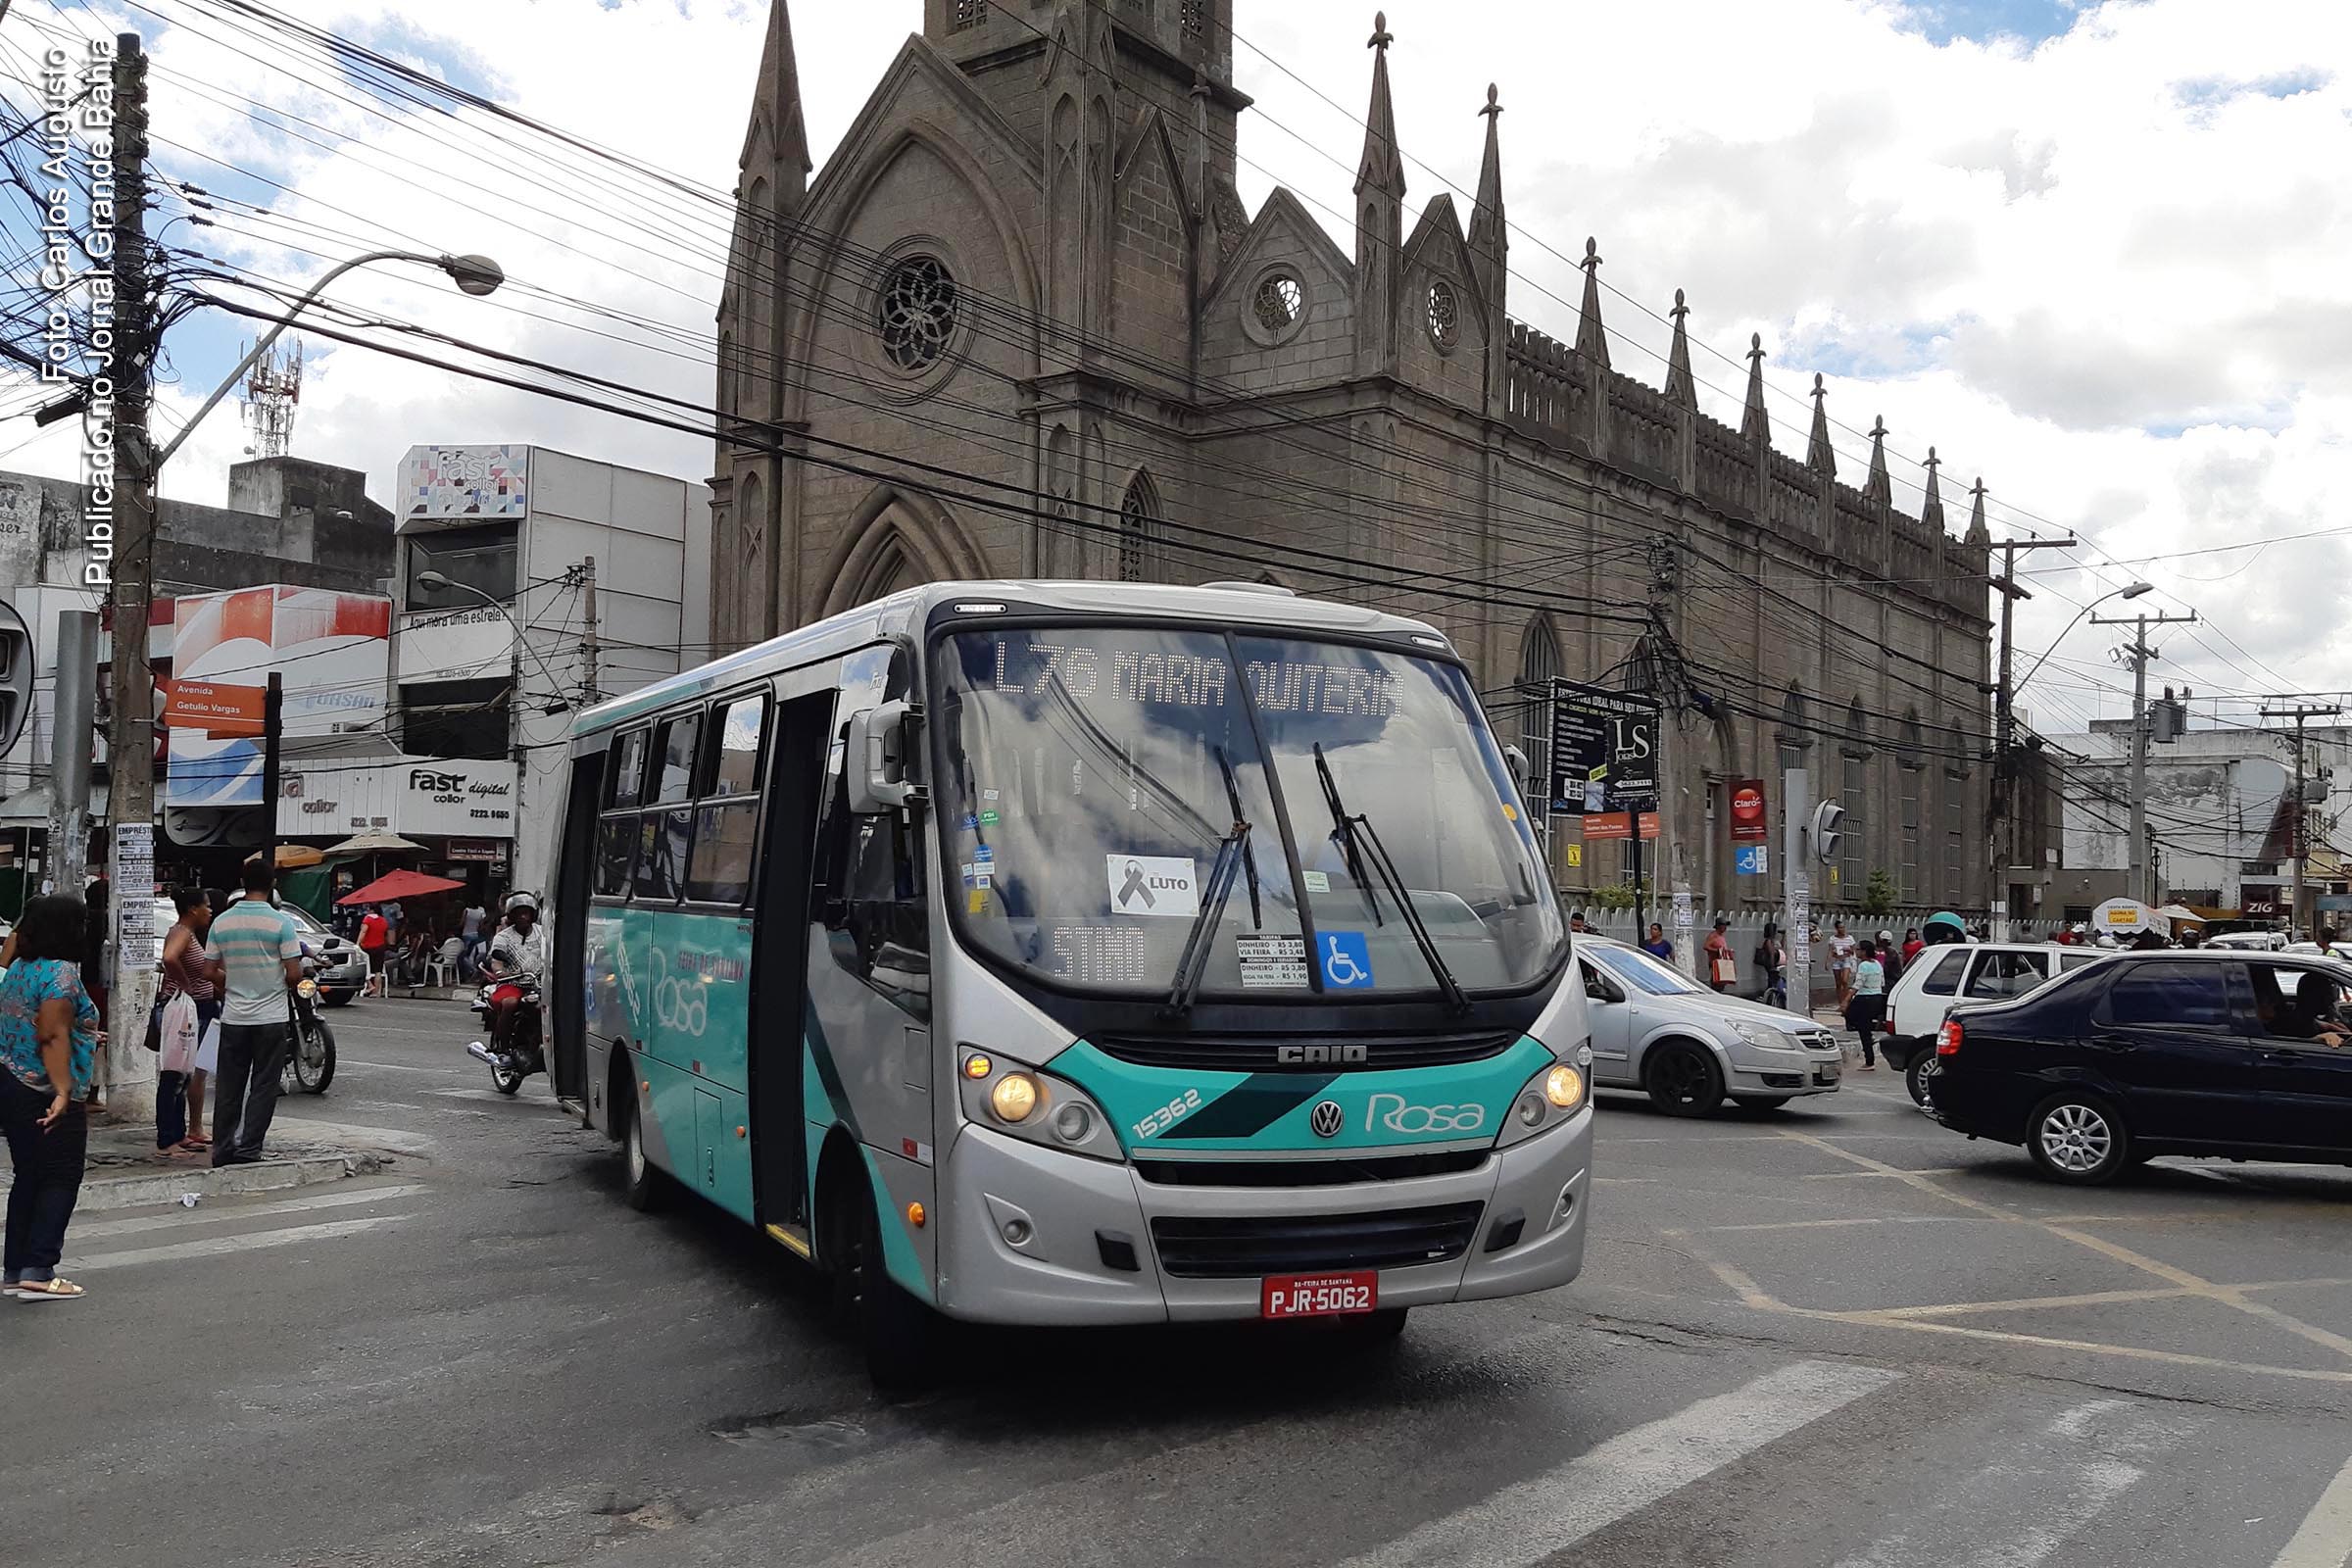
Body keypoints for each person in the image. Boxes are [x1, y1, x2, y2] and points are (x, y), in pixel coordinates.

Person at [1, 894, 101, 1300]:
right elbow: (50, 1033)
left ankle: (16, 1267)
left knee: (28, 1174)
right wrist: (62, 1092)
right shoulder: (60, 975)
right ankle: (40, 1268)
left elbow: (44, 1025)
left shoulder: (20, 970)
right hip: (44, 1087)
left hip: (10, 1080)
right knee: (60, 1174)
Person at [207, 860, 303, 1168]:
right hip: (272, 1018)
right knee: (264, 1085)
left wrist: (232, 982)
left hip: (234, 1017)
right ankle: (249, 1148)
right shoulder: (282, 923)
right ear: (273, 883)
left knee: (229, 1086)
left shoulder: (221, 922)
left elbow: (209, 970)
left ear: (242, 881)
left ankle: (222, 1150)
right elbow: (293, 973)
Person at [157, 887, 224, 1155]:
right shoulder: (181, 933)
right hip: (185, 1010)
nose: (210, 911)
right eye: (206, 906)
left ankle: (179, 1132)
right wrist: (184, 984)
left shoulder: (192, 936)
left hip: (200, 1008)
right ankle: (167, 1139)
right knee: (174, 1074)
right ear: (192, 909)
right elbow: (169, 958)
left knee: (186, 1074)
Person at [481, 895, 549, 1068]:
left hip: (540, 982)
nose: (523, 917)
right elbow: (496, 959)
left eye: (526, 913)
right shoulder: (503, 937)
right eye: (519, 913)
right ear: (511, 916)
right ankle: (503, 1050)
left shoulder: (544, 933)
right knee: (510, 1003)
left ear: (533, 914)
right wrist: (500, 971)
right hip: (513, 982)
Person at [1845, 943, 1885, 1070]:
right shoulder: (1877, 964)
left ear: (1864, 951)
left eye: (1858, 950)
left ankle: (1869, 1061)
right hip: (1877, 997)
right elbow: (1882, 981)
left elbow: (1858, 984)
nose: (1856, 952)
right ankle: (1869, 1054)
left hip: (1864, 999)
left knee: (1853, 1019)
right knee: (1864, 1027)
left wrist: (1846, 1000)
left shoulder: (1863, 965)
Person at [357, 904, 389, 997]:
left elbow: (363, 931)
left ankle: (370, 985)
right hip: (380, 947)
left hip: (367, 947)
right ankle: (377, 992)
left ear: (371, 910)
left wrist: (358, 943)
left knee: (362, 967)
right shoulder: (383, 920)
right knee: (378, 970)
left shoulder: (368, 919)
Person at [1754, 921, 1788, 1009]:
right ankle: (1768, 996)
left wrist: (1784, 936)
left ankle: (1770, 995)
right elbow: (1771, 953)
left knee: (1773, 980)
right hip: (1771, 964)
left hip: (1777, 964)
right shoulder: (1768, 941)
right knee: (1773, 980)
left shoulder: (1775, 941)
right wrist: (1772, 966)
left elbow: (1781, 948)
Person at [1827, 920, 1858, 1010]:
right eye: (1840, 927)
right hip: (1837, 960)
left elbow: (1853, 951)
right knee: (1838, 983)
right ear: (1837, 929)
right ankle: (1840, 1003)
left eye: (1843, 927)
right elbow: (1830, 951)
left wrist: (1848, 949)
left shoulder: (1850, 938)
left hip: (1846, 960)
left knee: (1845, 981)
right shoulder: (1833, 938)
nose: (1842, 929)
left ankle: (1846, 1001)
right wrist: (1828, 961)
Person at [1703, 917, 1737, 992]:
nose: (1725, 928)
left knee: (1722, 981)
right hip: (1715, 963)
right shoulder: (1713, 936)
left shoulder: (1721, 936)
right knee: (1716, 981)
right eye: (1723, 926)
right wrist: (1717, 951)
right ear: (1718, 926)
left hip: (1722, 962)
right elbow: (1706, 946)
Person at [460, 899, 490, 976]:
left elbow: (462, 923)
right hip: (476, 934)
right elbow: (481, 926)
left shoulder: (467, 910)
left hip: (466, 934)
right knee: (473, 954)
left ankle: (471, 970)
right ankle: (474, 970)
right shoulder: (480, 912)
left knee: (465, 955)